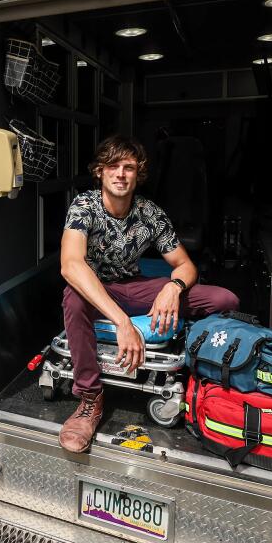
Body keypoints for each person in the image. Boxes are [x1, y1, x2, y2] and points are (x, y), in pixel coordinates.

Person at [58, 135, 238, 453]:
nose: (121, 174)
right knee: (72, 297)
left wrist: (173, 287)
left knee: (223, 299)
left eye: (128, 167)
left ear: (138, 174)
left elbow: (185, 265)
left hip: (133, 286)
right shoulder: (84, 205)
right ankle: (89, 399)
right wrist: (122, 322)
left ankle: (203, 378)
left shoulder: (149, 212)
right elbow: (71, 265)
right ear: (99, 171)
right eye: (113, 166)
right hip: (94, 290)